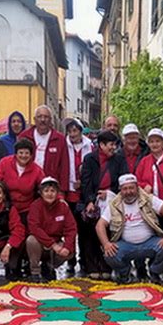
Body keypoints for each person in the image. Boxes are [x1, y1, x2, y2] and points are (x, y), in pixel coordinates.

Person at [96, 174, 163, 284]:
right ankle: (125, 273)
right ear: (120, 190)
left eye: (131, 188)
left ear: (137, 187)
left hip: (149, 242)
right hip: (126, 244)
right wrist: (106, 244)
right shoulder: (114, 204)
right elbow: (100, 225)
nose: (128, 192)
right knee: (108, 253)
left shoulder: (147, 198)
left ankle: (154, 272)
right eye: (125, 189)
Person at [80, 130, 129, 279]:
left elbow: (123, 180)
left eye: (115, 144)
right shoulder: (89, 159)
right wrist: (89, 200)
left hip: (111, 201)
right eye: (110, 145)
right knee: (90, 235)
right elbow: (85, 181)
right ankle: (91, 266)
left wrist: (110, 193)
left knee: (108, 233)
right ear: (101, 145)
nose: (113, 148)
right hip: (93, 202)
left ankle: (105, 265)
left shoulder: (120, 159)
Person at [26, 177, 77, 282]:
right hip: (40, 243)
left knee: (70, 250)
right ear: (41, 193)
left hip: (56, 243)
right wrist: (52, 244)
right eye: (46, 191)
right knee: (31, 240)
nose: (50, 194)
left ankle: (49, 266)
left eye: (53, 191)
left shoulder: (63, 207)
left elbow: (71, 228)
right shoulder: (35, 206)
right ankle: (34, 271)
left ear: (57, 192)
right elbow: (34, 228)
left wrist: (67, 247)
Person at [63, 117, 93, 275]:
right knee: (70, 229)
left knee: (84, 230)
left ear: (81, 131)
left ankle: (83, 260)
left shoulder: (90, 146)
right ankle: (70, 260)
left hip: (84, 193)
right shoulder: (64, 145)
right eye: (70, 131)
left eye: (75, 131)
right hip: (69, 194)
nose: (72, 134)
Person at [0, 138, 45, 225]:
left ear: (31, 155)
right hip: (5, 208)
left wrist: (59, 198)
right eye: (21, 153)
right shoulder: (4, 163)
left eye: (27, 153)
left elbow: (46, 186)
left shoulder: (37, 170)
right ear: (15, 153)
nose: (24, 156)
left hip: (26, 210)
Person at [19, 105, 69, 192]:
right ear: (34, 119)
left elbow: (64, 166)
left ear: (50, 120)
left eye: (46, 117)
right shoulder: (24, 137)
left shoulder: (60, 139)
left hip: (51, 187)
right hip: (28, 185)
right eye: (39, 117)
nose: (42, 120)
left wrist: (63, 190)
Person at [136, 128, 163, 204]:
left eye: (157, 141)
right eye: (151, 142)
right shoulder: (144, 161)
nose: (154, 144)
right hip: (149, 203)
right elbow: (136, 181)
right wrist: (144, 185)